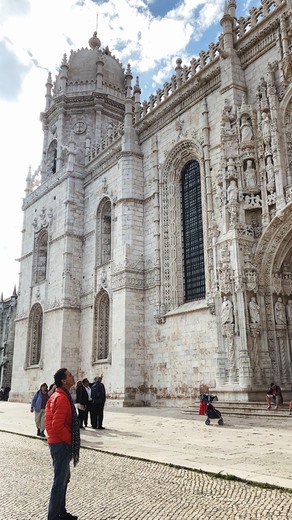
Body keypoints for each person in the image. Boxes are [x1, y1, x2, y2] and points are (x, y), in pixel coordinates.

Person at [45, 368, 80, 520]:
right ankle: (54, 516)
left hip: (57, 443)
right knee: (59, 481)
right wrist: (69, 441)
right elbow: (56, 425)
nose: (73, 376)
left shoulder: (58, 396)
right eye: (70, 375)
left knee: (64, 479)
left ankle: (61, 512)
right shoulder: (61, 398)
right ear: (64, 381)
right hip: (61, 445)